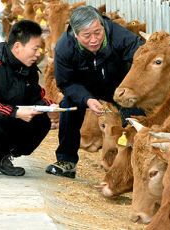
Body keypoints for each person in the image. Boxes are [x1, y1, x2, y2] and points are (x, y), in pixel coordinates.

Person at [45, 6, 145, 178]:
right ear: (75, 34)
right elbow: (66, 82)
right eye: (87, 35)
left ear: (103, 26)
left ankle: (134, 166)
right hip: (85, 88)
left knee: (133, 112)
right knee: (68, 105)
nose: (94, 40)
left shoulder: (117, 34)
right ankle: (66, 160)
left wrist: (130, 88)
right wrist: (86, 99)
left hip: (119, 85)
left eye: (97, 32)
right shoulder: (64, 47)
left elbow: (141, 56)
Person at [0, 20, 59, 178]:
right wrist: (15, 112)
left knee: (40, 121)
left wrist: (50, 107)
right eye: (35, 49)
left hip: (1, 118)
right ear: (18, 47)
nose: (38, 54)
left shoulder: (28, 69)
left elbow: (35, 98)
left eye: (39, 49)